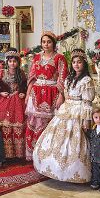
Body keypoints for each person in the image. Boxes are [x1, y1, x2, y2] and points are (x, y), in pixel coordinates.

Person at [33, 51, 95, 182]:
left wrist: (86, 119)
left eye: (79, 62)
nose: (76, 65)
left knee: (74, 140)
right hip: (67, 108)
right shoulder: (69, 78)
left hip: (79, 109)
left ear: (84, 63)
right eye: (74, 62)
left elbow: (87, 102)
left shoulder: (87, 80)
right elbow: (66, 94)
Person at [25, 31, 68, 160]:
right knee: (34, 121)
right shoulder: (37, 57)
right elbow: (32, 77)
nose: (46, 44)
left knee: (51, 123)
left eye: (49, 42)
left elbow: (63, 78)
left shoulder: (60, 58)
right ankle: (34, 153)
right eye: (44, 42)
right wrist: (28, 95)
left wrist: (61, 96)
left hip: (52, 94)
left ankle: (48, 154)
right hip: (36, 93)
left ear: (53, 43)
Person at [0, 49, 27, 159]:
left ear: (18, 62)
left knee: (18, 122)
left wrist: (22, 93)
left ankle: (18, 153)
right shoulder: (1, 72)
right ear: (7, 62)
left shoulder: (21, 73)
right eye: (10, 61)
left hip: (17, 100)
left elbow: (25, 86)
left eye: (15, 61)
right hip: (4, 99)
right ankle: (6, 153)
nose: (12, 63)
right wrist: (1, 92)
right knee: (4, 123)